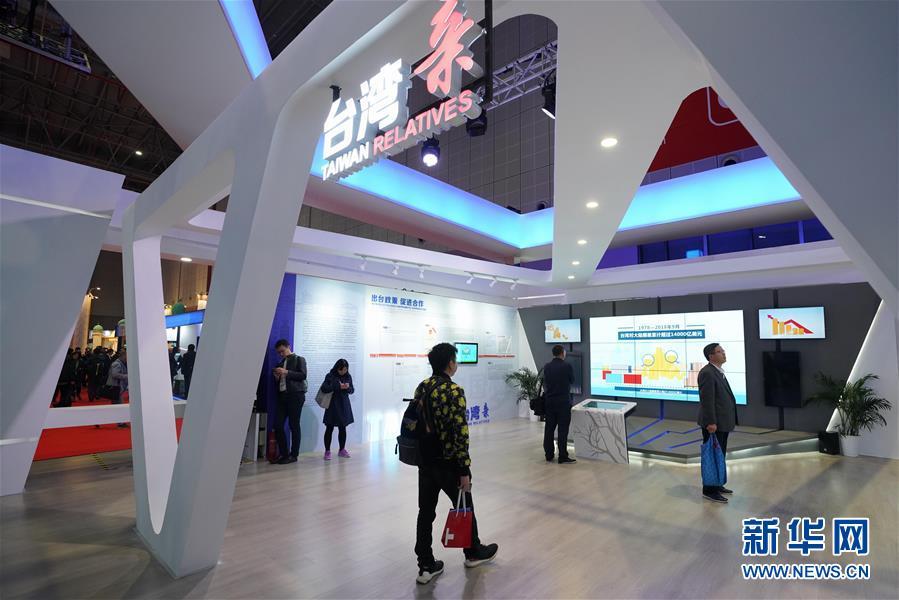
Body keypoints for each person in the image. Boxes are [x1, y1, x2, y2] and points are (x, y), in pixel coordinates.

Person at [412, 342, 498, 585]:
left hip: (425, 462)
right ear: (450, 363)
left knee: (425, 513)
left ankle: (425, 565)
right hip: (449, 463)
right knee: (464, 507)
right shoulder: (453, 391)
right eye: (455, 359)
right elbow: (460, 433)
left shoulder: (422, 387)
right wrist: (463, 469)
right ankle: (472, 552)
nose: (456, 363)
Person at [697, 342, 737, 503]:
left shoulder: (717, 372)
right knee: (712, 457)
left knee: (719, 455)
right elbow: (707, 400)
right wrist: (711, 422)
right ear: (711, 356)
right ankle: (709, 490)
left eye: (723, 351)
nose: (724, 353)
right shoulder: (707, 373)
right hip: (714, 424)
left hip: (723, 423)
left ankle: (717, 483)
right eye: (720, 351)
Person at [272, 339, 307, 464]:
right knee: (277, 425)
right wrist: (277, 377)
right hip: (283, 396)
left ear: (288, 346)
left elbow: (303, 375)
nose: (281, 354)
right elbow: (280, 382)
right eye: (279, 352)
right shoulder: (280, 363)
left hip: (296, 396)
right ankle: (284, 454)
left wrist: (286, 372)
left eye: (282, 351)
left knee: (294, 425)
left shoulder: (299, 359)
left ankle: (294, 455)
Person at [542, 344, 576, 464]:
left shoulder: (547, 366)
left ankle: (549, 454)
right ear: (562, 353)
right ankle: (562, 456)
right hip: (563, 403)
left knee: (549, 429)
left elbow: (546, 382)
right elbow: (572, 380)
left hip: (550, 402)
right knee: (562, 430)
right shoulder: (567, 366)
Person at [321, 359, 355, 460]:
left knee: (343, 428)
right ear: (337, 368)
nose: (343, 371)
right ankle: (327, 451)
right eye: (341, 370)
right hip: (332, 405)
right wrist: (338, 386)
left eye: (345, 369)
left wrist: (347, 388)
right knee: (329, 428)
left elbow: (352, 390)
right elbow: (324, 388)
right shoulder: (330, 376)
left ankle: (342, 449)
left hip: (344, 405)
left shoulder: (348, 376)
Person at [106, 348, 129, 428]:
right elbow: (115, 374)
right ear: (123, 356)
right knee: (119, 406)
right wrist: (126, 376)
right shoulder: (117, 364)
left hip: (117, 388)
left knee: (115, 406)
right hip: (116, 388)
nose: (127, 358)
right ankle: (120, 423)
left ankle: (120, 422)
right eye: (126, 356)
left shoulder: (119, 363)